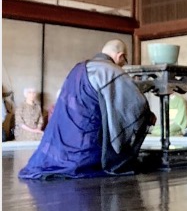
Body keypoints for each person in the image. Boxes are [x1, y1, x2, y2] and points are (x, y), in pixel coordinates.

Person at [19, 39, 155, 180]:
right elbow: (136, 104)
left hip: (64, 139)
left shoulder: (78, 68)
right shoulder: (111, 70)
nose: (122, 65)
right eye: (124, 61)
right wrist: (148, 115)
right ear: (120, 56)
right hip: (87, 146)